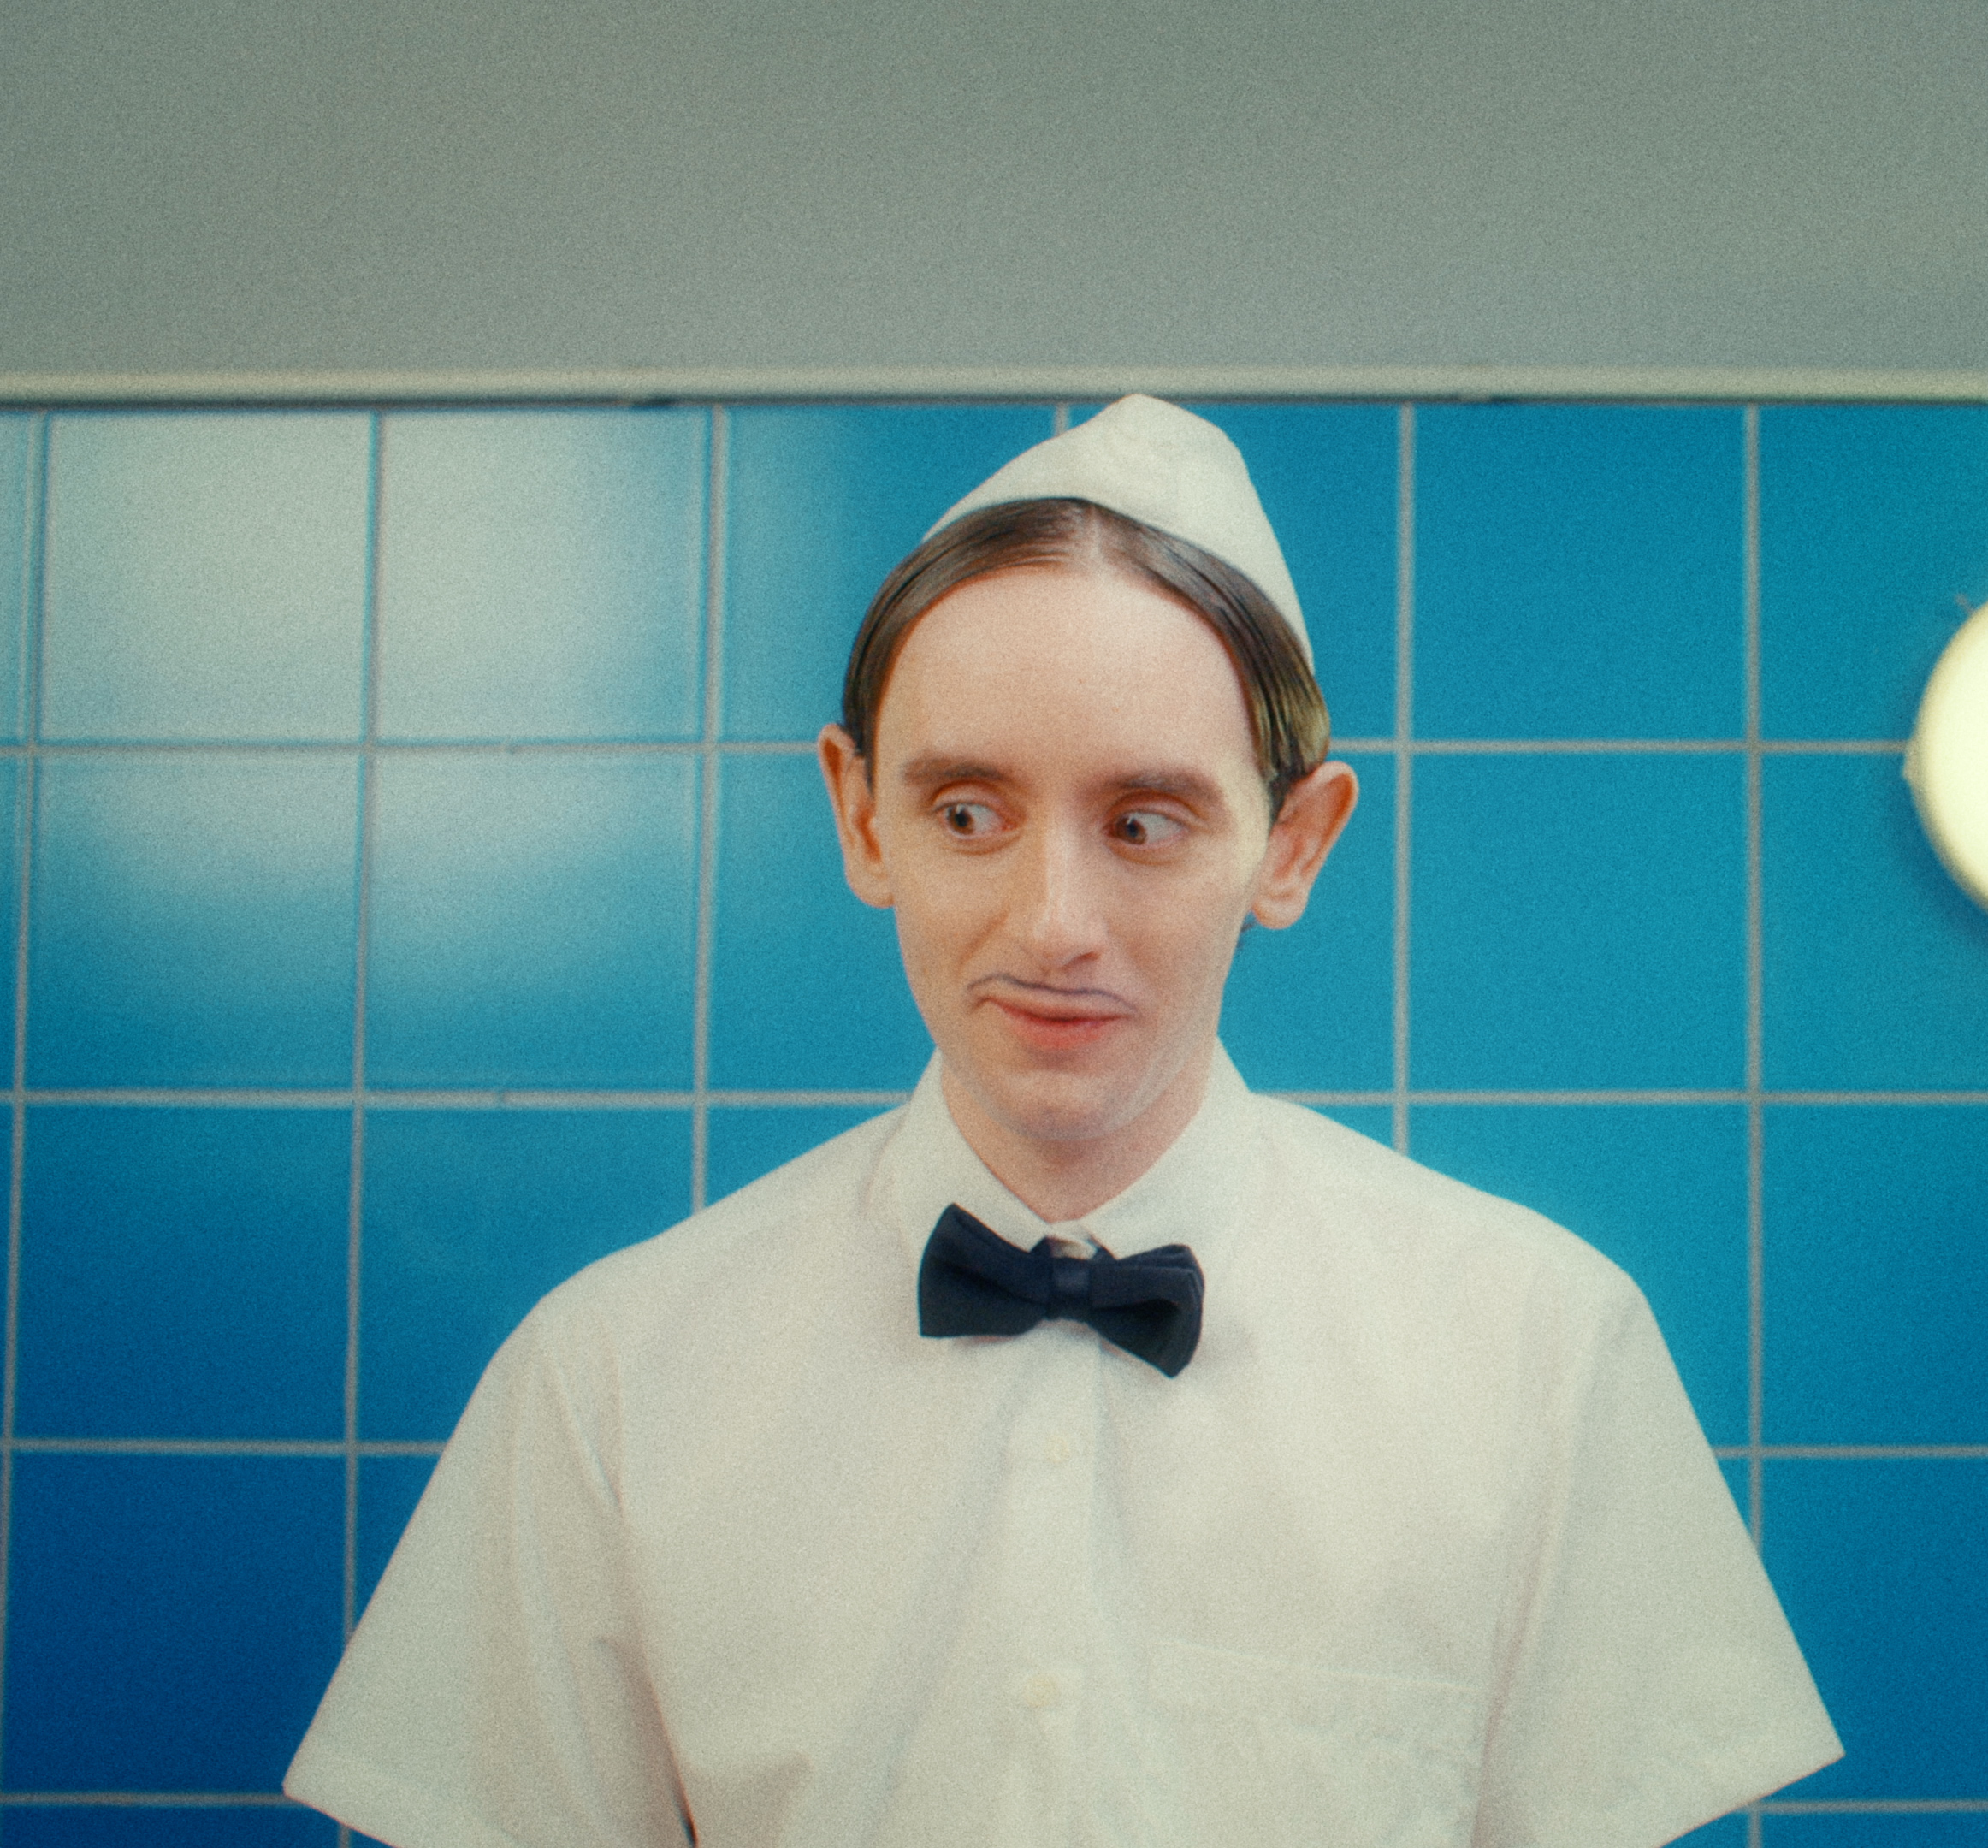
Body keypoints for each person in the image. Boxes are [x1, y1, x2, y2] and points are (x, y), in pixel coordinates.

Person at [285, 395, 1840, 1847]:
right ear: (861, 816)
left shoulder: (1541, 1351)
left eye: (1143, 823)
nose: (1052, 925)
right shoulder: (611, 1379)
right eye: (969, 813)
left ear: (1293, 844)